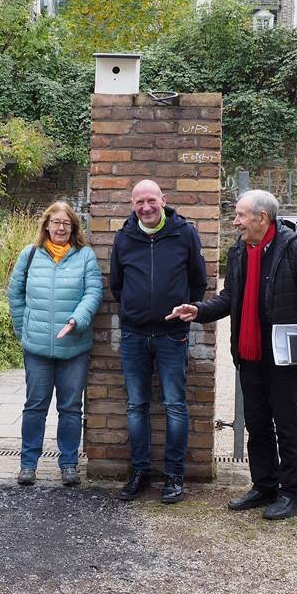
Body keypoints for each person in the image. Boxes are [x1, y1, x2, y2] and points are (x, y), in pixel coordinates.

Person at [167, 189, 297, 520]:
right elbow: (230, 298)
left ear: (262, 218)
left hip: (285, 356)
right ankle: (264, 485)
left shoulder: (294, 250)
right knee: (256, 423)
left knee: (286, 424)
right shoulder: (240, 250)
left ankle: (292, 492)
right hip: (250, 352)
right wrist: (197, 310)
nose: (235, 221)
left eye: (241, 215)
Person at [109, 179, 207, 504]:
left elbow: (198, 280)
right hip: (134, 335)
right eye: (139, 202)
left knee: (175, 405)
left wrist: (181, 310)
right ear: (132, 204)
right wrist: (134, 310)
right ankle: (140, 472)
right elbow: (117, 285)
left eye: (151, 200)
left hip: (172, 335)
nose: (146, 207)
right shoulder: (124, 238)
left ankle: (174, 476)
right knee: (137, 405)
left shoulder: (184, 234)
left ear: (163, 200)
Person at [7, 202, 103, 487]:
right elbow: (16, 294)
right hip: (36, 349)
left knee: (71, 408)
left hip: (75, 347)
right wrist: (24, 329)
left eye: (67, 224)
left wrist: (78, 319)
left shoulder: (85, 256)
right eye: (56, 222)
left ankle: (69, 464)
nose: (61, 228)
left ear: (74, 228)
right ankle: (28, 464)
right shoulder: (31, 254)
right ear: (46, 225)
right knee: (35, 406)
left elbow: (94, 292)